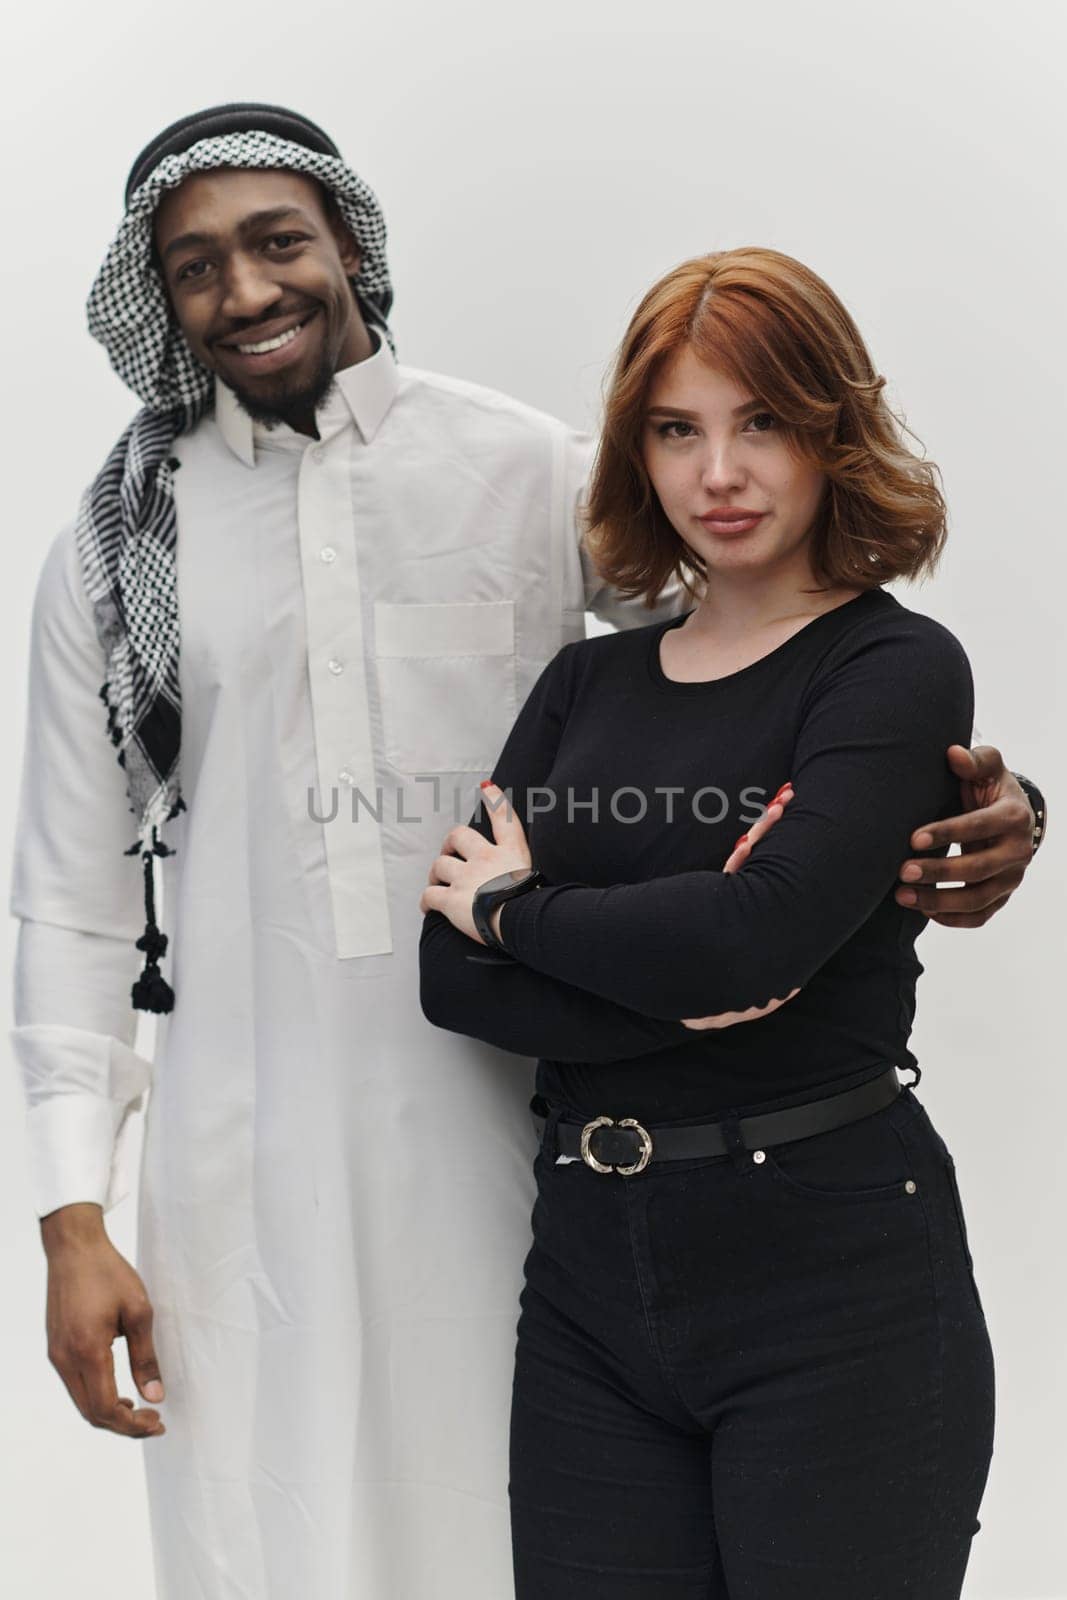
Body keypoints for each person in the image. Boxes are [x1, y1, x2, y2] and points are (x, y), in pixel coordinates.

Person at [9, 99, 1040, 1599]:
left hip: (530, 1158)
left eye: (279, 241)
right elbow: (67, 896)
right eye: (192, 265)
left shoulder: (526, 474)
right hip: (238, 1165)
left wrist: (991, 811)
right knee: (262, 1546)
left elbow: (773, 678)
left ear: (352, 244)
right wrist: (71, 1215)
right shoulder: (115, 551)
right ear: (153, 295)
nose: (244, 292)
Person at [418, 246, 1039, 1597]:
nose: (721, 475)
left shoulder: (889, 667)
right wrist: (689, 960)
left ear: (832, 432)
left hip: (833, 1273)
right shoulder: (584, 687)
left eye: (761, 423)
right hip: (586, 1279)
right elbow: (448, 982)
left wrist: (522, 909)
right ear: (636, 453)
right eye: (678, 430)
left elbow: (745, 937)